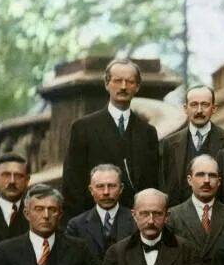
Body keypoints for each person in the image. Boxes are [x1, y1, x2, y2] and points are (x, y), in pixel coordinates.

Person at [63, 58, 159, 220]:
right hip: (93, 222)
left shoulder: (148, 132)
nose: (123, 87)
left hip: (135, 223)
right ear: (106, 84)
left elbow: (152, 183)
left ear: (137, 87)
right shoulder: (83, 128)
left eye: (129, 81)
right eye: (117, 81)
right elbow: (72, 184)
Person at [160, 85, 224, 206]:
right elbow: (165, 186)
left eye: (205, 105)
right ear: (185, 108)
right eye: (194, 105)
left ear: (214, 108)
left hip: (216, 214)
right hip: (179, 215)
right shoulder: (170, 143)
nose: (199, 110)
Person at [66, 164, 137, 259]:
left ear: (121, 188)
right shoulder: (76, 226)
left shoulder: (136, 220)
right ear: (91, 190)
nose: (106, 192)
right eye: (100, 186)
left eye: (112, 186)